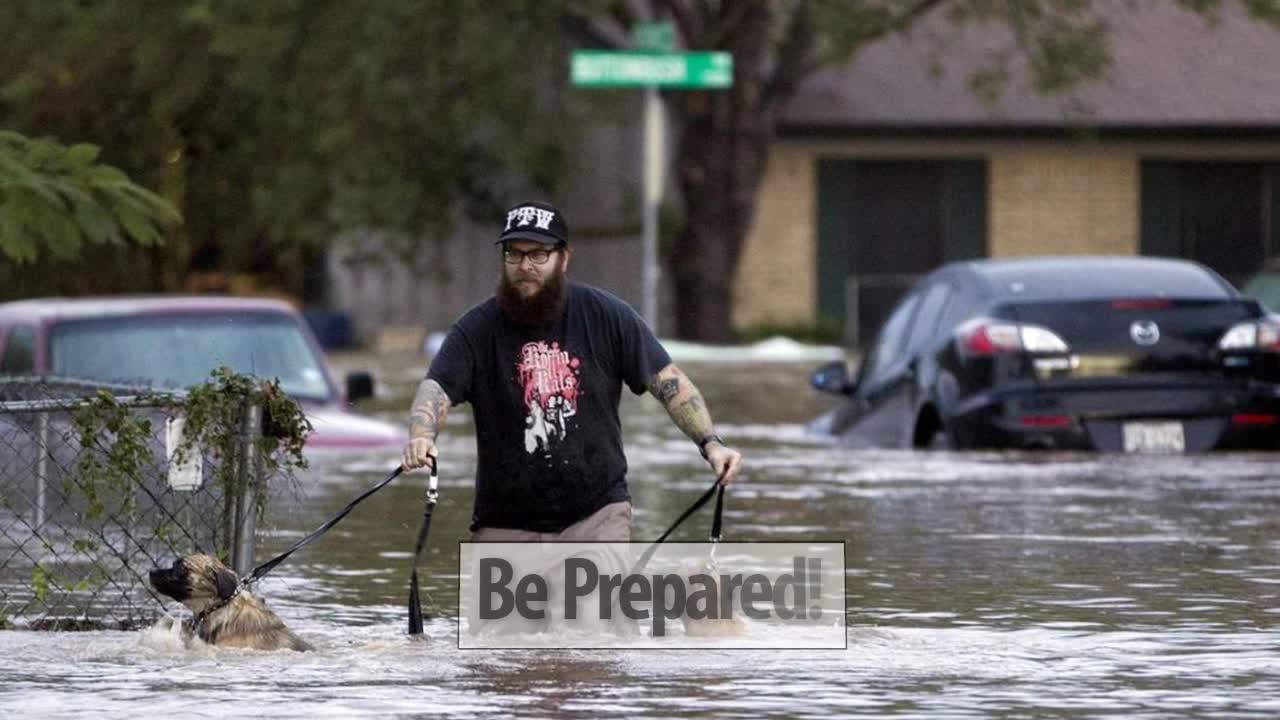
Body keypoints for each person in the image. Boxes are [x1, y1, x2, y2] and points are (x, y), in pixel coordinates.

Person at [401, 200, 743, 544]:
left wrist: (711, 444)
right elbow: (436, 389)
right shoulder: (474, 330)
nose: (525, 266)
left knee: (590, 599)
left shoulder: (608, 317)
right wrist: (422, 436)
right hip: (504, 522)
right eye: (514, 254)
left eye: (538, 255)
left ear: (563, 258)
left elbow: (669, 383)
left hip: (597, 517)